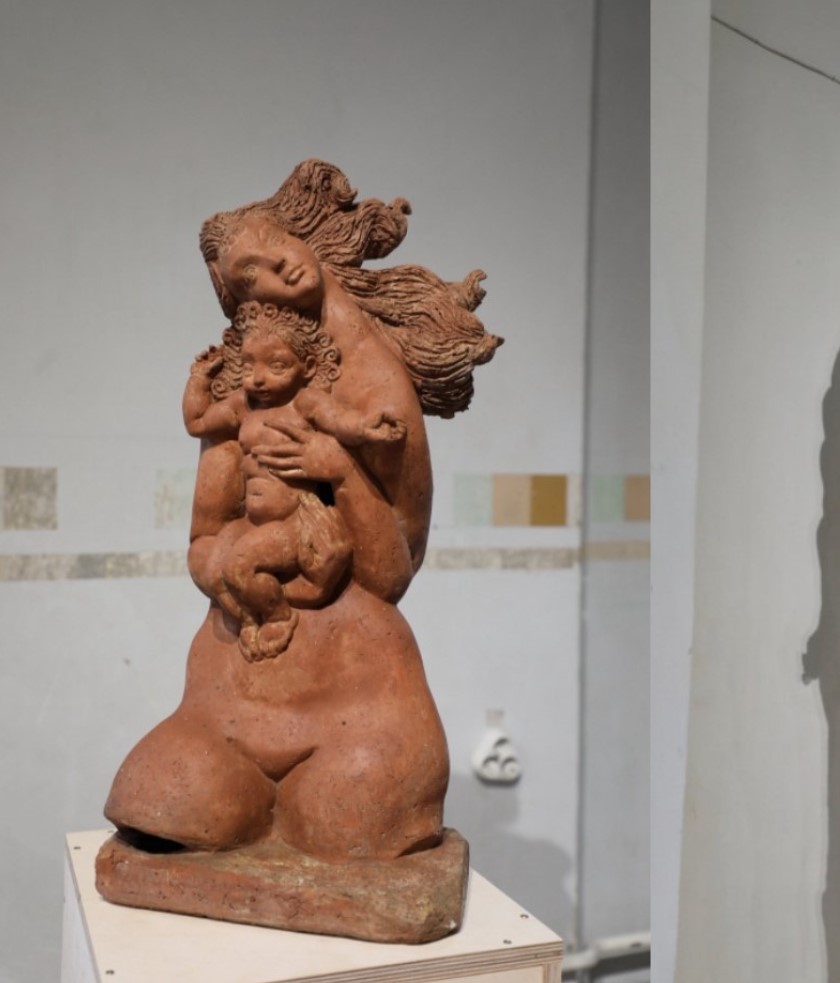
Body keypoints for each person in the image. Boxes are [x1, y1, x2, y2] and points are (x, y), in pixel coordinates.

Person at [104, 161, 500, 862]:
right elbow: (203, 536)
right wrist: (228, 566)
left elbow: (388, 573)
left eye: (270, 247)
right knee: (161, 796)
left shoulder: (370, 391)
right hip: (232, 686)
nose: (273, 270)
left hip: (358, 688)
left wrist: (335, 469)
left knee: (350, 820)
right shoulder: (244, 399)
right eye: (246, 275)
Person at [182, 301, 405, 660]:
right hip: (253, 524)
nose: (258, 378)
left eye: (277, 366)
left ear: (308, 367)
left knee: (240, 567)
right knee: (215, 565)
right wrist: (198, 379)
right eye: (249, 366)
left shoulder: (306, 404)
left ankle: (278, 617)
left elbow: (340, 422)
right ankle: (254, 613)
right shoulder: (243, 407)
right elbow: (197, 423)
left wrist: (365, 428)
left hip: (294, 522)